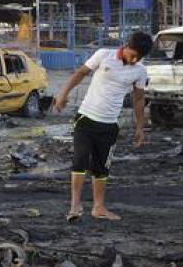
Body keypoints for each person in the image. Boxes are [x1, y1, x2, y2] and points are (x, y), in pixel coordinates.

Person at [53, 31, 154, 223]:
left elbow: (139, 99)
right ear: (126, 46)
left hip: (109, 125)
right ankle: (75, 206)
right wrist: (62, 93)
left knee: (101, 168)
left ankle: (98, 207)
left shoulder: (140, 71)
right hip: (86, 118)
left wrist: (140, 127)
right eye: (132, 55)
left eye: (138, 58)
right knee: (80, 161)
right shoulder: (103, 55)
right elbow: (80, 73)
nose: (133, 60)